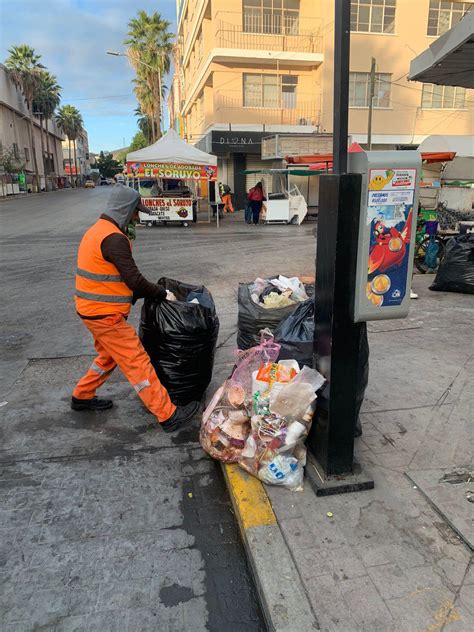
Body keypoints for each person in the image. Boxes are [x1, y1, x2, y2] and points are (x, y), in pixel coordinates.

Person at [71, 184, 199, 432]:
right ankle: (168, 414)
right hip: (104, 315)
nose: (137, 217)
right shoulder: (114, 239)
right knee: (136, 361)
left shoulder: (98, 230)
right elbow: (135, 281)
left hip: (91, 310)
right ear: (125, 209)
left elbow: (115, 278)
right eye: (135, 212)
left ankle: (82, 396)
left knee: (109, 356)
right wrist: (163, 294)